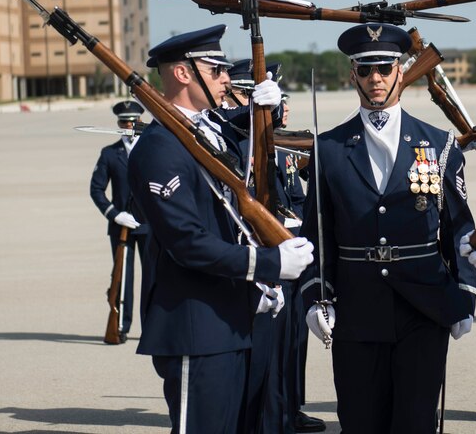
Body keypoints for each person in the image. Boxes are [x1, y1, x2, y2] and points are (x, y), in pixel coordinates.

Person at [127, 25, 314, 433]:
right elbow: (187, 243)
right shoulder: (159, 148)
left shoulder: (205, 130)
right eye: (215, 70)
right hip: (198, 326)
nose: (227, 78)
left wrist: (265, 109)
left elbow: (239, 131)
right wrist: (268, 262)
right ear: (182, 74)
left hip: (236, 319)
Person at [300, 23, 476, 433]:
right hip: (357, 309)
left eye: (384, 67)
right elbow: (315, 234)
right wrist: (315, 296)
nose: (375, 79)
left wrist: (464, 293)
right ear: (352, 75)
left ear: (401, 71)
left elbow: (459, 229)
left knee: (415, 422)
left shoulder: (439, 144)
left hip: (425, 307)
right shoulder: (328, 148)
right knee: (360, 421)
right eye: (365, 70)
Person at [228, 60, 325, 434]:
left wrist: (301, 228)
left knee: (294, 340)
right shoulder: (242, 142)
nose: (283, 107)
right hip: (264, 252)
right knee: (268, 343)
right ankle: (271, 414)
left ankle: (289, 407)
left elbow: (294, 198)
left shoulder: (282, 145)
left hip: (293, 249)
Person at [90, 100, 149, 344]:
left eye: (132, 121)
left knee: (152, 279)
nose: (128, 125)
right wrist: (115, 214)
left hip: (149, 225)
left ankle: (151, 328)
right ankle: (121, 325)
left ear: (139, 122)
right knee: (121, 279)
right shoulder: (109, 153)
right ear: (118, 123)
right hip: (121, 225)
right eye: (123, 121)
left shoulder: (151, 150)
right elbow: (96, 189)